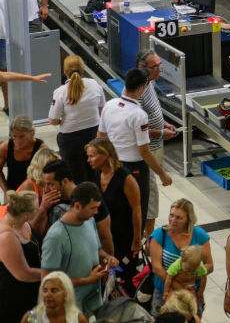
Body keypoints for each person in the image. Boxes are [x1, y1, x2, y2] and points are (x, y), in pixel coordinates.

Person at [95, 68, 170, 225]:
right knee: (136, 211)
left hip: (112, 165)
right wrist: (162, 174)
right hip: (134, 169)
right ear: (141, 88)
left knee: (115, 210)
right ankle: (135, 243)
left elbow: (100, 138)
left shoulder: (109, 105)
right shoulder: (138, 115)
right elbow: (145, 152)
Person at [41, 182, 117, 317]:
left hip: (93, 305)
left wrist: (107, 258)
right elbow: (48, 280)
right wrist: (87, 280)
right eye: (92, 208)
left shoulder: (89, 221)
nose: (96, 212)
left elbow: (97, 249)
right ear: (77, 206)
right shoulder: (56, 237)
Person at [82, 140, 141, 283]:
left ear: (106, 154)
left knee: (123, 275)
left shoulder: (125, 178)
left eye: (92, 156)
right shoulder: (96, 175)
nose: (88, 160)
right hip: (103, 236)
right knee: (106, 275)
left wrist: (137, 239)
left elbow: (137, 210)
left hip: (123, 237)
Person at [134, 51, 178, 239]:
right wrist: (160, 132)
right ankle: (147, 243)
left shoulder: (149, 83)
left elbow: (153, 110)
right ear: (142, 68)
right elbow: (136, 130)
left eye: (160, 65)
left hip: (155, 147)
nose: (160, 69)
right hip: (145, 154)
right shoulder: (137, 91)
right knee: (150, 200)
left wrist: (164, 123)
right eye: (156, 67)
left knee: (151, 197)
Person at [149, 198, 211, 313]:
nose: (173, 220)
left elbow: (209, 265)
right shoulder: (159, 234)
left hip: (193, 291)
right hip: (165, 291)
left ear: (189, 219)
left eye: (179, 217)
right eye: (171, 215)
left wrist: (191, 277)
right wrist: (177, 285)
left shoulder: (199, 235)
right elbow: (156, 268)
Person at [0, 190, 42, 321]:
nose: (39, 209)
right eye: (37, 208)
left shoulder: (24, 224)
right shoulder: (7, 236)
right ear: (26, 214)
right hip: (14, 298)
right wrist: (53, 273)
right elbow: (24, 274)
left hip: (32, 292)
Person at [0, 117, 47, 193]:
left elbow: (49, 175)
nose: (18, 141)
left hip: (35, 193)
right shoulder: (5, 147)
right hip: (13, 192)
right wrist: (6, 191)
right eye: (14, 136)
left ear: (31, 132)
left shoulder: (41, 149)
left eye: (22, 136)